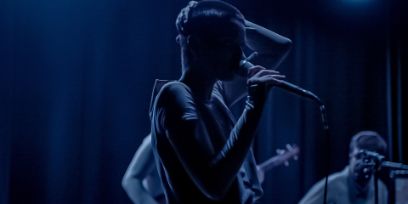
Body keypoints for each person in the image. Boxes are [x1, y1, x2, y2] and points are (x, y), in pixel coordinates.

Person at [122, 1, 293, 203]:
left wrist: (234, 21)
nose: (241, 55)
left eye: (241, 44)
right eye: (230, 44)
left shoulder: (217, 92)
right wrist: (253, 107)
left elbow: (279, 47)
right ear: (195, 44)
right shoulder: (174, 95)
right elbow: (214, 185)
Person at [299, 130, 388, 204]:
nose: (361, 163)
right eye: (358, 157)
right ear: (350, 155)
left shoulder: (381, 189)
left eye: (368, 159)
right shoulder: (331, 185)